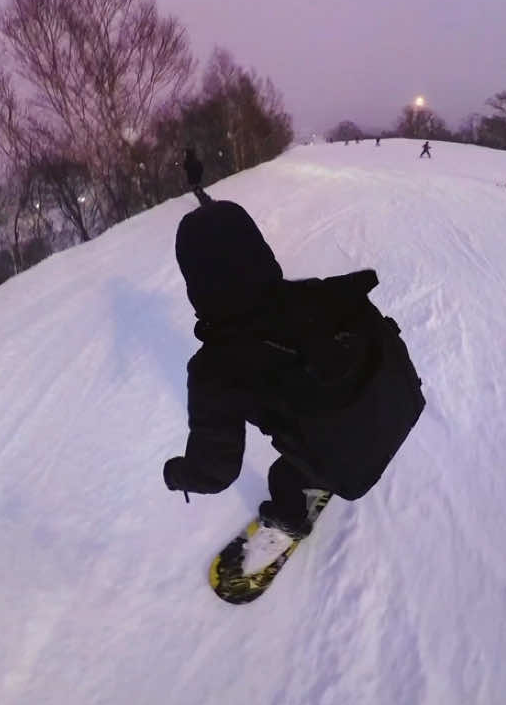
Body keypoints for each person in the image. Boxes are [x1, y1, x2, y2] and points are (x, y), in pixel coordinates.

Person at [162, 200, 426, 542]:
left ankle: (291, 518)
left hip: (349, 466)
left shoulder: (214, 370)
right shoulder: (318, 295)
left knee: (285, 475)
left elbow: (215, 470)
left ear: (194, 282)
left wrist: (178, 474)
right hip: (399, 404)